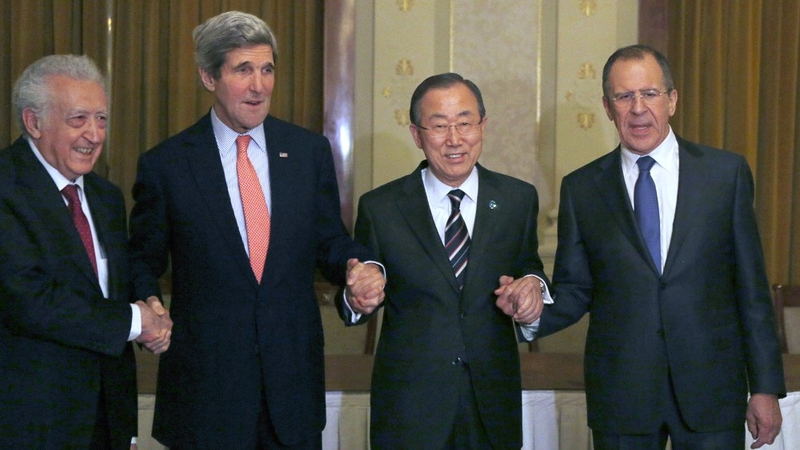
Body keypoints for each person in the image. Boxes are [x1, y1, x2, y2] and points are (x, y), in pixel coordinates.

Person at [127, 11, 384, 449]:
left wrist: (360, 267)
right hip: (206, 395)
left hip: (292, 393)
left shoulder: (308, 153)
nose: (259, 85)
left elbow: (330, 241)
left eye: (267, 69)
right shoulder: (167, 164)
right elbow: (140, 259)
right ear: (209, 77)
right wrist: (148, 302)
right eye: (242, 70)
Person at [534, 44, 786, 449]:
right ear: (607, 106)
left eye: (649, 93)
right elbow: (575, 289)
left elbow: (751, 289)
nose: (637, 108)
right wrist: (527, 313)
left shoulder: (725, 175)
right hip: (622, 395)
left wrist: (765, 386)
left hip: (711, 392)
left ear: (672, 100)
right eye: (624, 96)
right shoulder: (582, 189)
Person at [338, 72, 549, 449]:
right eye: (439, 126)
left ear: (482, 126)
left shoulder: (518, 200)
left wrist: (533, 289)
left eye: (465, 123)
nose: (454, 139)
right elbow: (362, 287)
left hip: (491, 405)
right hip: (410, 408)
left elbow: (529, 267)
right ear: (417, 134)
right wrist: (357, 298)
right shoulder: (381, 207)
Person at [0, 54, 172, 449]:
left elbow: (119, 280)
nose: (94, 134)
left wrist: (151, 306)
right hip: (30, 424)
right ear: (34, 122)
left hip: (105, 420)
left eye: (102, 119)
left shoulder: (106, 197)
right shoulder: (6, 190)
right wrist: (134, 320)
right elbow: (29, 299)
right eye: (78, 119)